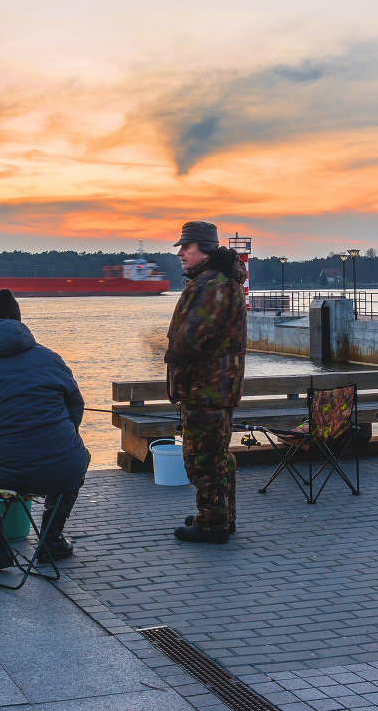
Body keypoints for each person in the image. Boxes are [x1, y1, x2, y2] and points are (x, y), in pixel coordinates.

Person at [0, 288, 91, 569]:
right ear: (21, 326)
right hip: (60, 469)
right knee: (75, 458)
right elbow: (75, 410)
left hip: (1, 473)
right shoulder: (51, 359)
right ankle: (51, 541)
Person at [165, 221, 247, 544]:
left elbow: (192, 337)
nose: (181, 253)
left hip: (206, 387)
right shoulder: (222, 280)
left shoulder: (210, 284)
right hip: (219, 386)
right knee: (217, 453)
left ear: (204, 249)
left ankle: (212, 524)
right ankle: (219, 513)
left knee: (201, 458)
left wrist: (169, 346)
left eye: (187, 247)